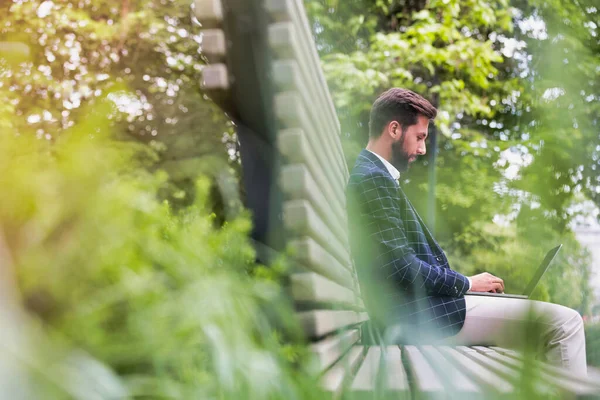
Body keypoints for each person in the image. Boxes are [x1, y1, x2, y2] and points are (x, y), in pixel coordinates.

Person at [345, 88, 587, 375]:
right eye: (420, 137)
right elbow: (401, 268)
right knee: (566, 324)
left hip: (420, 312)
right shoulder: (374, 179)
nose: (422, 149)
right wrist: (468, 284)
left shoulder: (374, 175)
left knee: (541, 326)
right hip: (418, 319)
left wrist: (469, 287)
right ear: (394, 129)